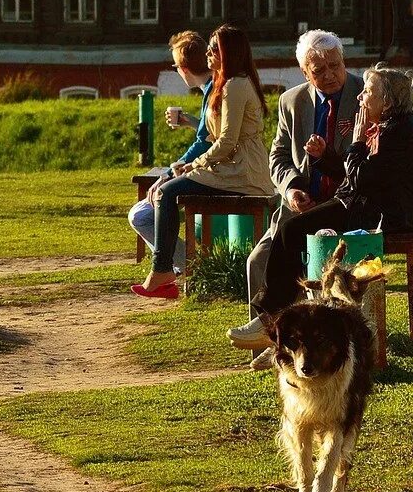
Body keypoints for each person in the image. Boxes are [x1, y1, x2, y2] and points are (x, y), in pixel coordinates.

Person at [229, 63, 413, 349]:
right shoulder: (392, 127)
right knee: (294, 230)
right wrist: (325, 155)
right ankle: (280, 328)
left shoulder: (400, 134)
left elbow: (362, 178)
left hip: (386, 217)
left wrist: (356, 141)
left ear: (387, 101)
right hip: (369, 206)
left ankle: (272, 323)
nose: (360, 98)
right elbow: (360, 175)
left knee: (292, 231)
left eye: (368, 92)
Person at [231, 31, 364, 363]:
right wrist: (290, 189)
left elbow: (367, 159)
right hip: (298, 205)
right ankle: (273, 345)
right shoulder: (291, 102)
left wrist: (327, 157)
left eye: (335, 66)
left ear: (344, 62)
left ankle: (296, 341)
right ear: (305, 72)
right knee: (257, 261)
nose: (330, 75)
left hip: (346, 203)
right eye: (319, 71)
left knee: (308, 258)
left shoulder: (365, 93)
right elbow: (277, 158)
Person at [132, 25, 274, 299]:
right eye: (208, 47)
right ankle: (165, 268)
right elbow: (210, 135)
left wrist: (193, 165)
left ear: (228, 53)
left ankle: (163, 268)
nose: (207, 53)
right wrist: (188, 162)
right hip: (228, 167)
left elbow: (227, 142)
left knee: (166, 191)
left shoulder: (236, 85)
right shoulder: (225, 83)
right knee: (167, 189)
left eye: (214, 48)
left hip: (242, 171)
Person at [127, 31, 215, 273]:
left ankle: (185, 268)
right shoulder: (214, 88)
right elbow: (212, 134)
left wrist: (171, 172)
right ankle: (178, 267)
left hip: (213, 171)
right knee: (146, 207)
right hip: (212, 167)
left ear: (184, 69)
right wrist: (192, 121)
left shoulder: (213, 91)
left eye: (176, 66)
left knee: (141, 214)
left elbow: (206, 142)